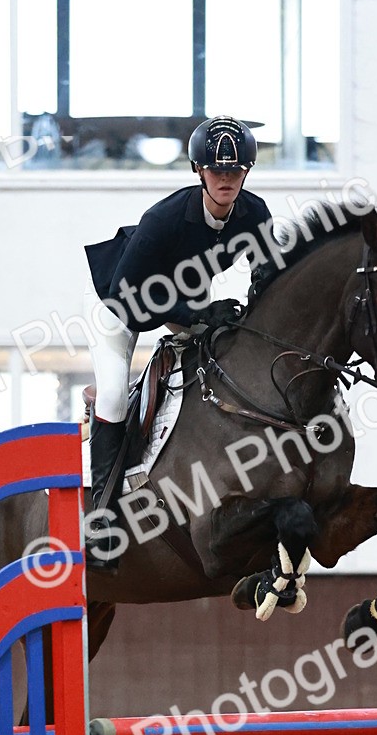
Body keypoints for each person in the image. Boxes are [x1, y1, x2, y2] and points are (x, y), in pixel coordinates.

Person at [83, 115, 273, 571]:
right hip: (121, 309)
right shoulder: (164, 220)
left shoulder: (254, 213)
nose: (225, 179)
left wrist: (250, 316)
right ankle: (102, 517)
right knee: (113, 395)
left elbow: (268, 274)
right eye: (216, 171)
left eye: (234, 171)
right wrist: (199, 315)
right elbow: (131, 296)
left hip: (185, 304)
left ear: (246, 171)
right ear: (198, 171)